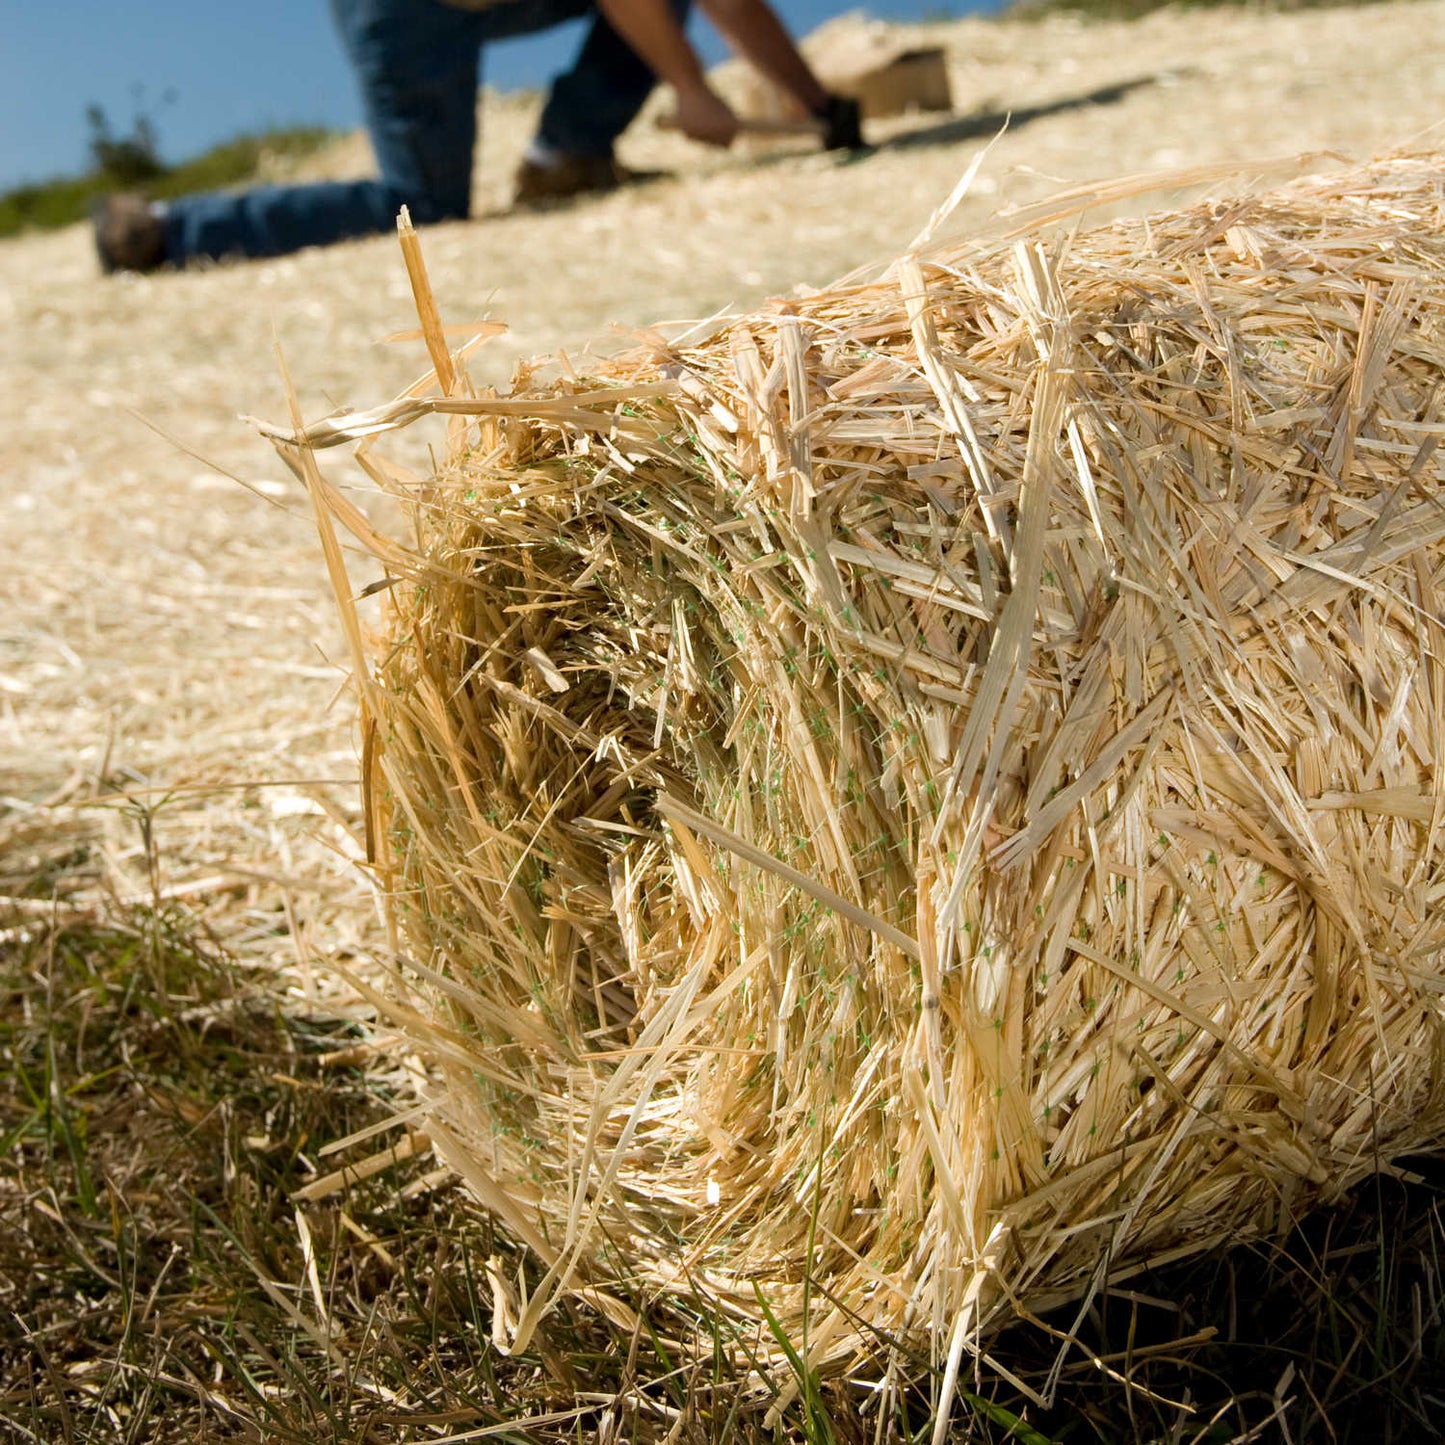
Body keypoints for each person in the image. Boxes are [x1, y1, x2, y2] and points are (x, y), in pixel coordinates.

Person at [93, 0, 862, 273]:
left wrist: (817, 107)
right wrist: (692, 91)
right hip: (401, 11)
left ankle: (565, 155)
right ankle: (169, 230)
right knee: (422, 204)